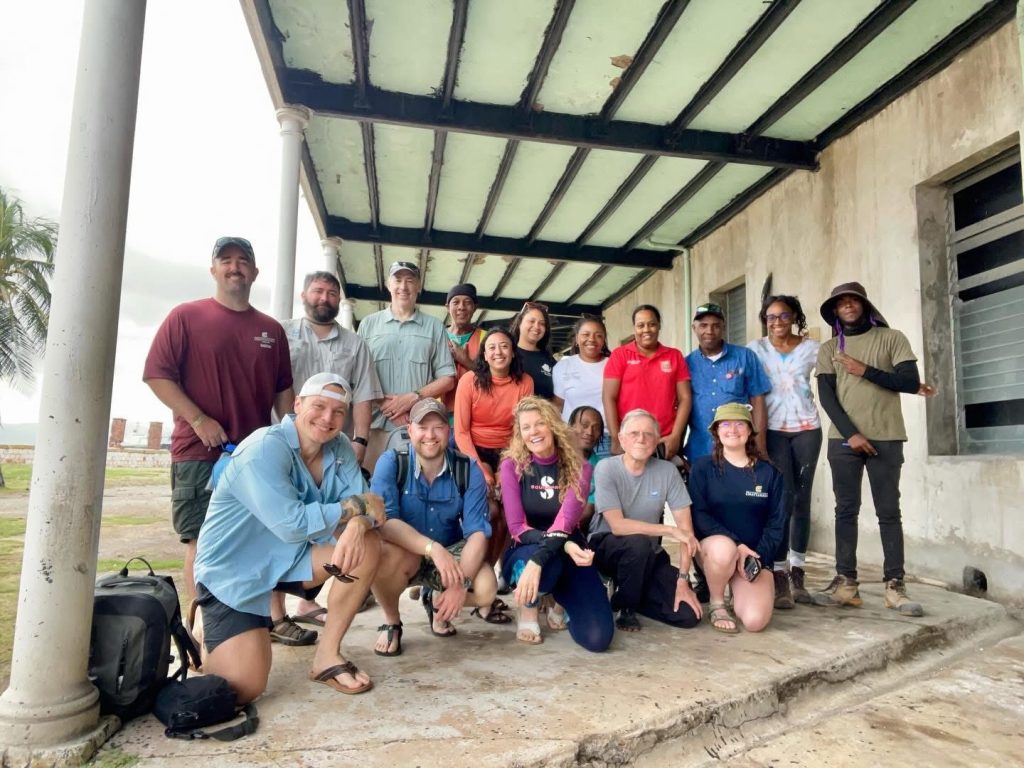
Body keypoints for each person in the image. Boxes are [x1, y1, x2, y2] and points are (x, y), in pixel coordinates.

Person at [193, 373, 387, 701]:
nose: (328, 418)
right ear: (297, 405)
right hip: (237, 571)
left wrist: (357, 525)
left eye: (338, 412)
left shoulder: (338, 445)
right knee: (243, 688)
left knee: (368, 544)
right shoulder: (264, 447)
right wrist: (355, 507)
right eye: (319, 406)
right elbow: (293, 524)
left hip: (291, 558)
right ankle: (204, 624)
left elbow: (371, 506)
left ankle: (327, 657)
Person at [143, 236, 293, 608]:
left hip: (256, 457)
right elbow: (157, 376)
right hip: (200, 453)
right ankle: (203, 630)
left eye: (243, 260)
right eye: (225, 260)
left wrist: (290, 440)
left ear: (255, 272)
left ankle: (265, 620)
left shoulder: (272, 331)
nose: (234, 266)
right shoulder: (185, 317)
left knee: (260, 537)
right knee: (200, 540)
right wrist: (198, 419)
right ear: (213, 270)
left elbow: (284, 392)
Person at [811, 282, 925, 616]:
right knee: (845, 510)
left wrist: (865, 371)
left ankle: (895, 587)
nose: (847, 305)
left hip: (887, 436)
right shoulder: (830, 348)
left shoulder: (892, 338)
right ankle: (846, 584)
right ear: (835, 310)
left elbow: (908, 382)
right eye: (841, 302)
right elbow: (827, 397)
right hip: (843, 441)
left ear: (864, 304)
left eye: (853, 300)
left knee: (889, 511)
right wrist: (852, 434)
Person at [283, 270, 384, 628]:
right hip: (290, 442)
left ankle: (313, 601)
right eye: (318, 291)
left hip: (335, 446)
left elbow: (363, 395)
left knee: (350, 517)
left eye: (331, 293)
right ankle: (276, 612)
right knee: (285, 522)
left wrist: (359, 440)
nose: (324, 298)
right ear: (304, 294)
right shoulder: (283, 334)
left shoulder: (355, 344)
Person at [369, 398, 502, 654]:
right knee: (381, 558)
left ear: (448, 431)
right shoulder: (392, 463)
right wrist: (432, 549)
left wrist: (459, 584)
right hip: (406, 552)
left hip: (450, 549)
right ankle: (392, 621)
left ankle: (435, 599)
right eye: (422, 427)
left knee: (486, 590)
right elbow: (385, 523)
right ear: (410, 431)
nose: (430, 435)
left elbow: (476, 532)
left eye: (438, 427)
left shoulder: (468, 468)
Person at [499, 397, 614, 651]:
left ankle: (561, 601)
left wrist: (559, 549)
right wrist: (556, 550)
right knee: (542, 561)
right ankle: (528, 610)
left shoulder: (580, 468)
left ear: (553, 426)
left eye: (540, 424)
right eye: (525, 427)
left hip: (570, 550)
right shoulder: (512, 466)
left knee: (598, 638)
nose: (533, 432)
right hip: (524, 550)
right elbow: (517, 528)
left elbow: (564, 523)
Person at [589, 409, 702, 632]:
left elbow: (686, 531)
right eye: (634, 433)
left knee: (688, 616)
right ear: (621, 439)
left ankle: (633, 593)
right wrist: (669, 530)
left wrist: (682, 580)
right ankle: (626, 608)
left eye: (648, 434)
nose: (641, 438)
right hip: (607, 547)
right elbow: (618, 526)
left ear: (657, 440)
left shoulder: (668, 471)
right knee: (637, 543)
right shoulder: (607, 468)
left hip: (648, 556)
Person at [747, 295, 821, 608]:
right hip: (772, 431)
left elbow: (834, 380)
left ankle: (798, 572)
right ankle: (778, 575)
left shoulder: (812, 348)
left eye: (784, 316)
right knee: (782, 500)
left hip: (807, 429)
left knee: (802, 499)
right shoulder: (756, 349)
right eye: (771, 317)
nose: (777, 322)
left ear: (794, 318)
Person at [689, 403, 784, 634]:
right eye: (726, 424)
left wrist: (756, 558)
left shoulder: (769, 473)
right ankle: (717, 602)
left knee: (754, 621)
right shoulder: (702, 467)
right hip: (715, 553)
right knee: (725, 549)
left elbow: (776, 524)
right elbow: (698, 515)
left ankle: (740, 590)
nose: (733, 429)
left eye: (740, 423)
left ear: (750, 430)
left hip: (753, 557)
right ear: (716, 431)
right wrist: (737, 545)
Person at [357, 261, 456, 469]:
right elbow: (357, 375)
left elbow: (448, 378)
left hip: (417, 428)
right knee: (372, 493)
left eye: (410, 281)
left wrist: (413, 398)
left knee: (413, 490)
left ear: (419, 287)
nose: (403, 286)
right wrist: (385, 404)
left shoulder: (434, 326)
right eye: (398, 280)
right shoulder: (368, 324)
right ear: (388, 284)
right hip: (373, 427)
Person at [453, 328, 533, 582]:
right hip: (473, 451)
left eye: (504, 347)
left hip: (511, 451)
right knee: (490, 512)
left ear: (512, 352)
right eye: (492, 347)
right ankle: (469, 571)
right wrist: (481, 467)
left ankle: (491, 573)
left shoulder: (525, 382)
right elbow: (461, 431)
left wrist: (506, 467)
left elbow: (522, 431)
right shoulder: (469, 381)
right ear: (484, 355)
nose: (498, 352)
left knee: (509, 514)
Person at [684, 302, 771, 461]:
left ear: (723, 327)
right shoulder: (686, 364)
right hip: (700, 451)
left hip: (740, 450)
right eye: (703, 325)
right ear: (694, 328)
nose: (709, 331)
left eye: (716, 326)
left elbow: (758, 401)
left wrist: (760, 447)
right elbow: (682, 406)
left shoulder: (745, 357)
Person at [604, 304, 691, 459]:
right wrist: (617, 438)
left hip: (664, 440)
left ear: (659, 326)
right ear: (634, 328)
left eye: (651, 324)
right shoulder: (620, 355)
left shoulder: (674, 356)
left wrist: (676, 435)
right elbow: (609, 397)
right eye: (640, 325)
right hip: (630, 441)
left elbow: (685, 398)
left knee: (664, 482)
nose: (646, 330)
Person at [553, 315, 612, 456]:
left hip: (606, 437)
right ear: (577, 339)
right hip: (573, 440)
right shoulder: (563, 366)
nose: (591, 339)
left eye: (598, 335)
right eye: (586, 334)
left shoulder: (613, 364)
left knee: (604, 478)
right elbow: (558, 405)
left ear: (603, 341)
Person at [442, 282, 486, 419]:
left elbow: (497, 378)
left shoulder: (487, 338)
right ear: (447, 307)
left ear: (475, 308)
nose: (461, 307)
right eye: (456, 302)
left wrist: (466, 361)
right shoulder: (436, 336)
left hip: (475, 415)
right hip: (438, 415)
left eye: (467, 302)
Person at [508, 300, 561, 407]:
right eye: (531, 321)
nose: (536, 326)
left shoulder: (549, 360)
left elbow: (559, 398)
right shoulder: (507, 355)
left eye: (542, 323)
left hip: (543, 420)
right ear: (519, 323)